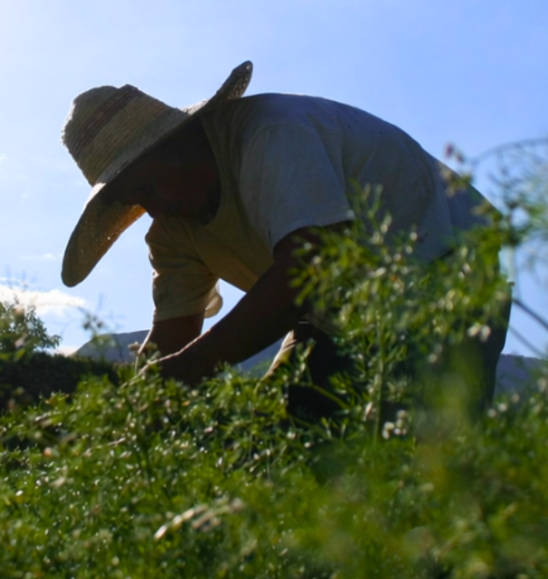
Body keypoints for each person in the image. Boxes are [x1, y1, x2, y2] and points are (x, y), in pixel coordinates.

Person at [60, 62, 510, 420]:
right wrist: (138, 399)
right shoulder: (174, 232)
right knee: (280, 440)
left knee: (422, 454)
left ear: (178, 144)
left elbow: (308, 266)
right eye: (138, 199)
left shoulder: (272, 137)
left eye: (152, 186)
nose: (157, 207)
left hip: (446, 275)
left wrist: (192, 368)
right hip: (339, 310)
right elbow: (175, 334)